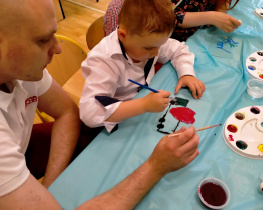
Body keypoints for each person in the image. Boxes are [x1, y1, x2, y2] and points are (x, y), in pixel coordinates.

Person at [0, 0, 200, 209]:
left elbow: (68, 112)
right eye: (42, 40)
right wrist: (155, 166)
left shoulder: (23, 72)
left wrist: (52, 184)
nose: (57, 48)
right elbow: (90, 112)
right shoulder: (105, 60)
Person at [80, 0, 205, 133]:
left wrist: (186, 73)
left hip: (143, 104)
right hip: (118, 121)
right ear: (123, 35)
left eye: (160, 46)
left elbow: (178, 49)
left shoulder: (148, 40)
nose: (156, 53)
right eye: (149, 48)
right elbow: (90, 113)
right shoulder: (104, 61)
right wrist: (143, 105)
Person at [103, 0, 241, 42]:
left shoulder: (162, 49)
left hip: (166, 43)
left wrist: (220, 10)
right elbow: (164, 15)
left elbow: (174, 52)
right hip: (153, 36)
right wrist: (210, 17)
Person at [171, 0, 242, 41]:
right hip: (171, 37)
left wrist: (220, 11)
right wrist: (211, 17)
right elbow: (169, 17)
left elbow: (224, 3)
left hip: (197, 33)